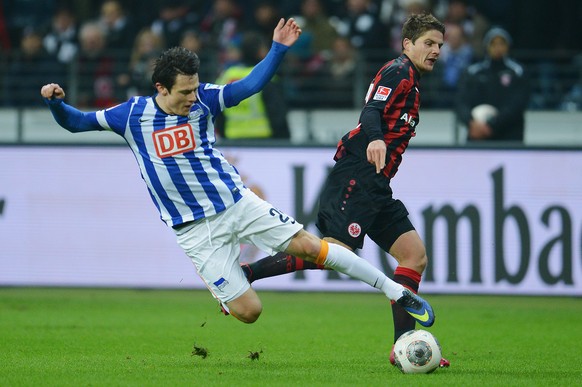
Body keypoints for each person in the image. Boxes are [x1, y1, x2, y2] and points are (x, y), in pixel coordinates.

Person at [40, 18, 434, 328]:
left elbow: (248, 86)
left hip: (236, 203)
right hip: (193, 230)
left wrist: (277, 50)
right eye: (184, 93)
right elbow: (75, 122)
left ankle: (396, 292)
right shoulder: (130, 115)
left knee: (311, 246)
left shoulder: (204, 101)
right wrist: (57, 103)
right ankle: (224, 287)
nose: (192, 98)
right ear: (160, 88)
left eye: (195, 90)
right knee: (249, 312)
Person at [240, 14, 450, 367]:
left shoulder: (411, 81)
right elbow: (371, 112)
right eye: (429, 43)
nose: (436, 51)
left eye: (440, 45)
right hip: (357, 174)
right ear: (407, 44)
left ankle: (402, 348)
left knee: (413, 256)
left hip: (376, 184)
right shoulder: (398, 71)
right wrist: (378, 137)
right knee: (334, 251)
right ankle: (246, 274)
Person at [455, 26, 530, 142]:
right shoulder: (473, 72)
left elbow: (518, 104)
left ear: (508, 46)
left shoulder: (518, 72)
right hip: (477, 134)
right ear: (487, 46)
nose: (497, 48)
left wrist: (492, 125)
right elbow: (461, 102)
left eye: (501, 43)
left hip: (510, 136)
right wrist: (471, 122)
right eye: (493, 44)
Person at [215, 31, 290, 140]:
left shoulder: (225, 77)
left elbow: (217, 112)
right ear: (260, 51)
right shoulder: (266, 77)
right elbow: (277, 116)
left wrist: (224, 135)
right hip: (262, 140)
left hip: (232, 139)